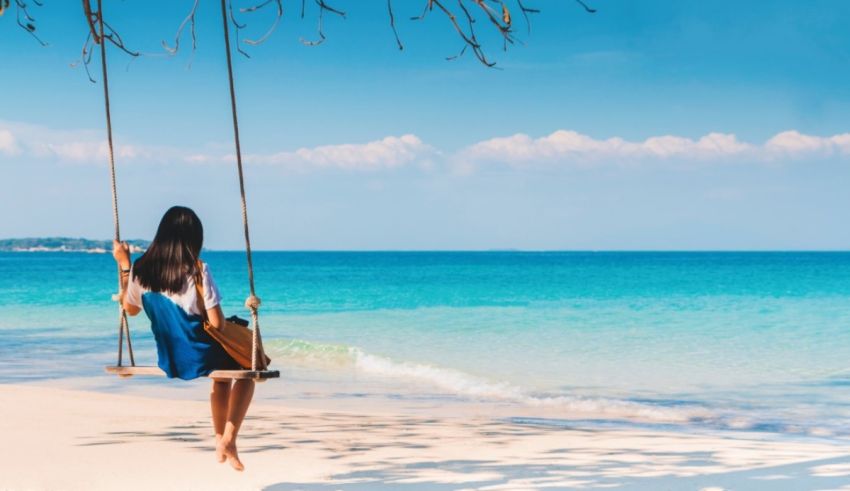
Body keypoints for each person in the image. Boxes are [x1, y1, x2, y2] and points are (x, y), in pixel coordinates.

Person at [113, 205, 253, 471]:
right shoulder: (198, 269)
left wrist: (124, 264)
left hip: (171, 358)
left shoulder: (140, 269)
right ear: (193, 239)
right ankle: (229, 439)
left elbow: (130, 310)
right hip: (200, 354)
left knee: (221, 376)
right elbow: (216, 324)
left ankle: (218, 439)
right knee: (250, 367)